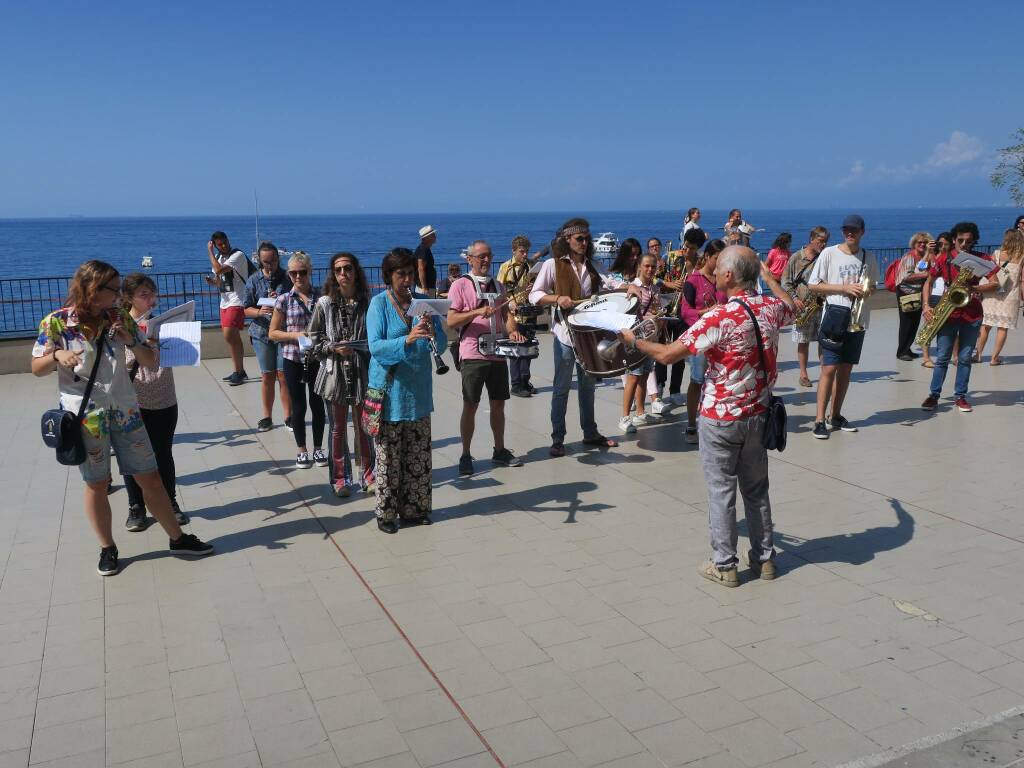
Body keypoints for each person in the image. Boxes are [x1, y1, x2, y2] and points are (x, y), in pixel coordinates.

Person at [618, 247, 795, 587]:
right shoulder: (771, 308)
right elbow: (792, 307)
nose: (714, 274)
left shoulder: (718, 318)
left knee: (721, 492)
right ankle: (764, 560)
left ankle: (725, 566)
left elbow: (669, 355)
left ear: (728, 276)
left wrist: (634, 341)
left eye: (719, 270)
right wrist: (770, 279)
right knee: (757, 490)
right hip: (758, 413)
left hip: (720, 418)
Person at [32, 261, 214, 575]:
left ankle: (177, 538)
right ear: (92, 289)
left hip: (127, 411)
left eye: (119, 290)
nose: (119, 296)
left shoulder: (119, 319)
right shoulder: (57, 323)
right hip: (87, 417)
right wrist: (56, 355)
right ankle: (107, 548)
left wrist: (131, 341)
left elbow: (150, 359)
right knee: (97, 483)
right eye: (113, 290)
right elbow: (36, 368)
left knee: (150, 477)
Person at [366, 248, 446, 533]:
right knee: (389, 458)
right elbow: (375, 346)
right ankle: (386, 514)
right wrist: (408, 340)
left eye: (410, 273)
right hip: (389, 392)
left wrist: (435, 335)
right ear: (389, 276)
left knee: (419, 455)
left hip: (418, 391)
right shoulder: (378, 304)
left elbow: (443, 345)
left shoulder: (423, 302)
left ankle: (415, 509)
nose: (407, 280)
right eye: (401, 274)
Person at [529, 218, 619, 457]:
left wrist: (628, 288)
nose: (584, 242)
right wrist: (557, 298)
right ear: (567, 240)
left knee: (588, 386)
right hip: (565, 336)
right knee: (561, 388)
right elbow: (534, 295)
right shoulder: (552, 265)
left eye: (587, 238)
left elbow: (612, 284)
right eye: (579, 238)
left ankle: (590, 433)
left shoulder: (594, 265)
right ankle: (558, 438)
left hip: (589, 334)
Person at [447, 241, 526, 476]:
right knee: (471, 405)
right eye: (481, 256)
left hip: (497, 353)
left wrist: (512, 330)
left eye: (489, 256)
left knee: (498, 404)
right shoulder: (461, 285)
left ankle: (499, 450)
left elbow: (506, 314)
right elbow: (451, 320)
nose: (486, 260)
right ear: (469, 259)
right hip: (472, 353)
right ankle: (465, 454)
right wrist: (476, 312)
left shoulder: (498, 286)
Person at [120, 274, 188, 531]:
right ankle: (136, 506)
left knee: (163, 453)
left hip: (163, 395)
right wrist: (140, 342)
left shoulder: (163, 324)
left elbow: (176, 355)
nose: (151, 300)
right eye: (144, 295)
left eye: (152, 294)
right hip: (132, 398)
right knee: (132, 456)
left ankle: (170, 501)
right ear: (129, 298)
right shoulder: (120, 326)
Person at [806, 214, 880, 439]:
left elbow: (873, 286)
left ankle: (835, 415)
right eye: (847, 229)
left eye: (854, 230)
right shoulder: (829, 253)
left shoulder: (868, 257)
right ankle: (819, 419)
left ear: (862, 232)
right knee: (828, 369)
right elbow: (813, 285)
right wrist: (843, 289)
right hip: (834, 318)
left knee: (846, 370)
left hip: (857, 321)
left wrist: (867, 290)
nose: (850, 233)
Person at [308, 252, 375, 497]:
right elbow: (313, 340)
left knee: (364, 427)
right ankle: (340, 479)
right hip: (334, 376)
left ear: (356, 271)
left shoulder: (368, 303)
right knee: (337, 429)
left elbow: (375, 337)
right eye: (338, 270)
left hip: (361, 374)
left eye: (347, 268)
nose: (343, 274)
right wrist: (332, 347)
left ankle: (368, 475)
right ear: (333, 275)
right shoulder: (325, 303)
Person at [920, 221, 999, 412]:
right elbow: (928, 282)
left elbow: (995, 284)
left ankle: (960, 396)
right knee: (943, 357)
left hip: (972, 314)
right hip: (948, 312)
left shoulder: (982, 259)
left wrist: (975, 288)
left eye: (968, 241)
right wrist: (926, 306)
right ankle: (934, 395)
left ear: (974, 241)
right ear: (954, 240)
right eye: (960, 240)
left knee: (964, 358)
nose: (964, 244)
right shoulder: (944, 259)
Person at [269, 251, 326, 468]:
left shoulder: (322, 297)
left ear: (310, 271)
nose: (298, 277)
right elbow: (273, 333)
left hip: (317, 359)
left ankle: (319, 448)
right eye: (293, 273)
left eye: (302, 272)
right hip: (293, 359)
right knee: (298, 407)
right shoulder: (283, 300)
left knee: (318, 404)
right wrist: (296, 335)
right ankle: (302, 450)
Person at [651, 228, 706, 415]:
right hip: (667, 309)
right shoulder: (671, 256)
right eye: (686, 246)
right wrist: (669, 284)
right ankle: (658, 387)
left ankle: (675, 390)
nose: (687, 250)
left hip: (686, 313)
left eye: (691, 248)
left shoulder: (700, 263)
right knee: (662, 347)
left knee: (681, 352)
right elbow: (654, 277)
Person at [681, 239, 728, 444]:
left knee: (721, 380)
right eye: (717, 259)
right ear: (707, 256)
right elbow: (685, 312)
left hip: (722, 338)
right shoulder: (693, 281)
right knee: (697, 380)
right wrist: (705, 313)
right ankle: (692, 424)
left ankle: (716, 421)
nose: (720, 264)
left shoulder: (724, 280)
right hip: (701, 339)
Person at [243, 241, 293, 432]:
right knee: (267, 376)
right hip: (262, 333)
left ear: (278, 258)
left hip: (282, 332)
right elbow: (245, 308)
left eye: (272, 260)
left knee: (283, 375)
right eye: (265, 262)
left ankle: (288, 416)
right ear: (260, 261)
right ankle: (267, 417)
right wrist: (259, 311)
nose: (269, 265)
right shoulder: (254, 280)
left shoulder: (288, 278)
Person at [618, 254, 662, 434]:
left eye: (653, 267)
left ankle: (641, 412)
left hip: (649, 338)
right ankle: (625, 416)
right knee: (633, 377)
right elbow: (621, 295)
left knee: (644, 375)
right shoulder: (633, 285)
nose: (650, 270)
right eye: (646, 266)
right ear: (640, 267)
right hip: (635, 339)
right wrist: (627, 287)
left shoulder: (654, 288)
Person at [781, 226, 829, 387]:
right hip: (803, 306)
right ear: (812, 239)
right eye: (821, 241)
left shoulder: (825, 257)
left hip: (821, 305)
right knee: (803, 341)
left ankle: (825, 373)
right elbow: (785, 281)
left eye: (825, 242)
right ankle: (803, 374)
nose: (823, 245)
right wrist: (794, 299)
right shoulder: (796, 257)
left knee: (824, 341)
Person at [204, 231, 250, 385]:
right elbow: (220, 281)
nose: (224, 246)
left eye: (225, 242)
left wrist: (209, 251)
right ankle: (239, 371)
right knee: (231, 339)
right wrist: (213, 283)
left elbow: (218, 270)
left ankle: (239, 371)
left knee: (230, 335)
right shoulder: (219, 258)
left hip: (237, 300)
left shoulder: (238, 255)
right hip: (224, 302)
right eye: (220, 244)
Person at [497, 235, 538, 397]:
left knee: (528, 348)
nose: (525, 254)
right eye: (522, 251)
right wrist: (509, 305)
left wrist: (532, 288)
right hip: (514, 313)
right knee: (515, 350)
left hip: (528, 311)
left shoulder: (531, 266)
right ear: (514, 251)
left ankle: (525, 380)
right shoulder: (505, 267)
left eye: (527, 251)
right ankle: (515, 384)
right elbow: (500, 291)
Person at [976, 229, 1024, 365]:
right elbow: (1022, 280)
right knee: (1003, 327)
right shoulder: (1022, 256)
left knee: (986, 325)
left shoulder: (996, 254)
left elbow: (987, 273)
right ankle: (994, 358)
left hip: (992, 294)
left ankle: (978, 355)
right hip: (1010, 296)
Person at [892, 233, 932, 361]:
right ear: (914, 244)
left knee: (914, 323)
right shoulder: (909, 257)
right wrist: (926, 275)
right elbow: (906, 276)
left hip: (916, 294)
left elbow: (921, 268)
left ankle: (907, 348)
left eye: (925, 242)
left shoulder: (921, 257)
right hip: (906, 293)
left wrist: (928, 254)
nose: (922, 244)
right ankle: (902, 351)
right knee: (907, 323)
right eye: (919, 242)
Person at [921, 232, 953, 368]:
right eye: (941, 244)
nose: (943, 247)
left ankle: (954, 356)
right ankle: (926, 358)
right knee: (929, 327)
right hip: (934, 294)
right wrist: (928, 252)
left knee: (951, 328)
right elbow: (921, 267)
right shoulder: (933, 257)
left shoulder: (952, 257)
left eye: (946, 244)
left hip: (948, 296)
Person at [415, 225, 438, 296]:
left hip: (429, 287)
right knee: (427, 307)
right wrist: (424, 288)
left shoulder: (425, 249)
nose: (435, 236)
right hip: (426, 288)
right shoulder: (423, 249)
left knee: (431, 306)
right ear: (428, 237)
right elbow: (421, 268)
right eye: (433, 234)